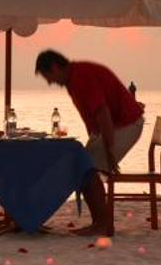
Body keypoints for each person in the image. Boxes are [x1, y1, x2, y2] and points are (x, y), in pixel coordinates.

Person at [33, 48, 144, 237]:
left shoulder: (82, 77)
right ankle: (99, 222)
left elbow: (103, 113)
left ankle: (103, 224)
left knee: (88, 169)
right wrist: (95, 142)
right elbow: (93, 119)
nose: (50, 82)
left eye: (48, 76)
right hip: (113, 126)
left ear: (55, 67)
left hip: (125, 124)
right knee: (82, 166)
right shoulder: (74, 79)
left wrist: (108, 149)